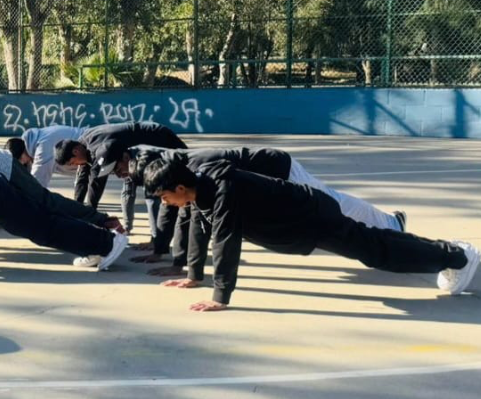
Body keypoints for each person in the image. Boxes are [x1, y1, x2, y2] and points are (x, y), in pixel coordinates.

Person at [142, 157, 479, 311]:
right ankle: (450, 253)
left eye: (165, 197)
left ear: (180, 187)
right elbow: (202, 231)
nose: (167, 204)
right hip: (304, 223)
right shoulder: (200, 192)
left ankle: (456, 256)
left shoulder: (220, 190)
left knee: (377, 251)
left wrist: (219, 297)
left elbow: (225, 241)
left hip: (313, 218)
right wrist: (193, 275)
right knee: (376, 245)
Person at [128, 145, 407, 275]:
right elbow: (188, 218)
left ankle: (392, 223)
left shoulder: (191, 169)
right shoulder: (180, 173)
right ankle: (387, 227)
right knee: (334, 210)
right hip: (268, 186)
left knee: (334, 203)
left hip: (281, 171)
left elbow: (188, 220)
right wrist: (180, 262)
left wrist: (179, 263)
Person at [55, 121, 187, 235]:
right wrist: (77, 212)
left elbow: (96, 183)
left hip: (160, 138)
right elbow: (82, 181)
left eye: (72, 162)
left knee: (183, 173)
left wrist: (90, 215)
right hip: (133, 156)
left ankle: (158, 238)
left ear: (76, 152)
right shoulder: (84, 144)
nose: (75, 165)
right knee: (129, 182)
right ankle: (134, 230)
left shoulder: (101, 150)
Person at [5, 125, 86, 190]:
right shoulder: (32, 144)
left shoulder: (43, 146)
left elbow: (37, 185)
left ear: (20, 156)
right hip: (84, 156)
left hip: (90, 149)